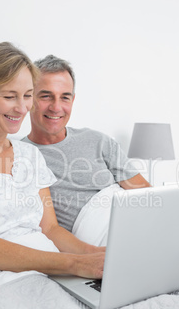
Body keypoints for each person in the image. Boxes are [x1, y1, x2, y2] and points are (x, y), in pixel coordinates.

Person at [0, 42, 105, 284]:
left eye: (28, 95)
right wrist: (75, 264)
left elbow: (51, 229)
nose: (22, 108)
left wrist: (97, 255)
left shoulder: (29, 155)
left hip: (46, 269)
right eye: (9, 96)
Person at [22, 55, 150, 233]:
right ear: (28, 98)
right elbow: (47, 228)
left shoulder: (98, 141)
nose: (56, 107)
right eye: (46, 96)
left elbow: (146, 195)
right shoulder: (20, 155)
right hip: (95, 239)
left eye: (65, 97)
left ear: (73, 100)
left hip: (133, 223)